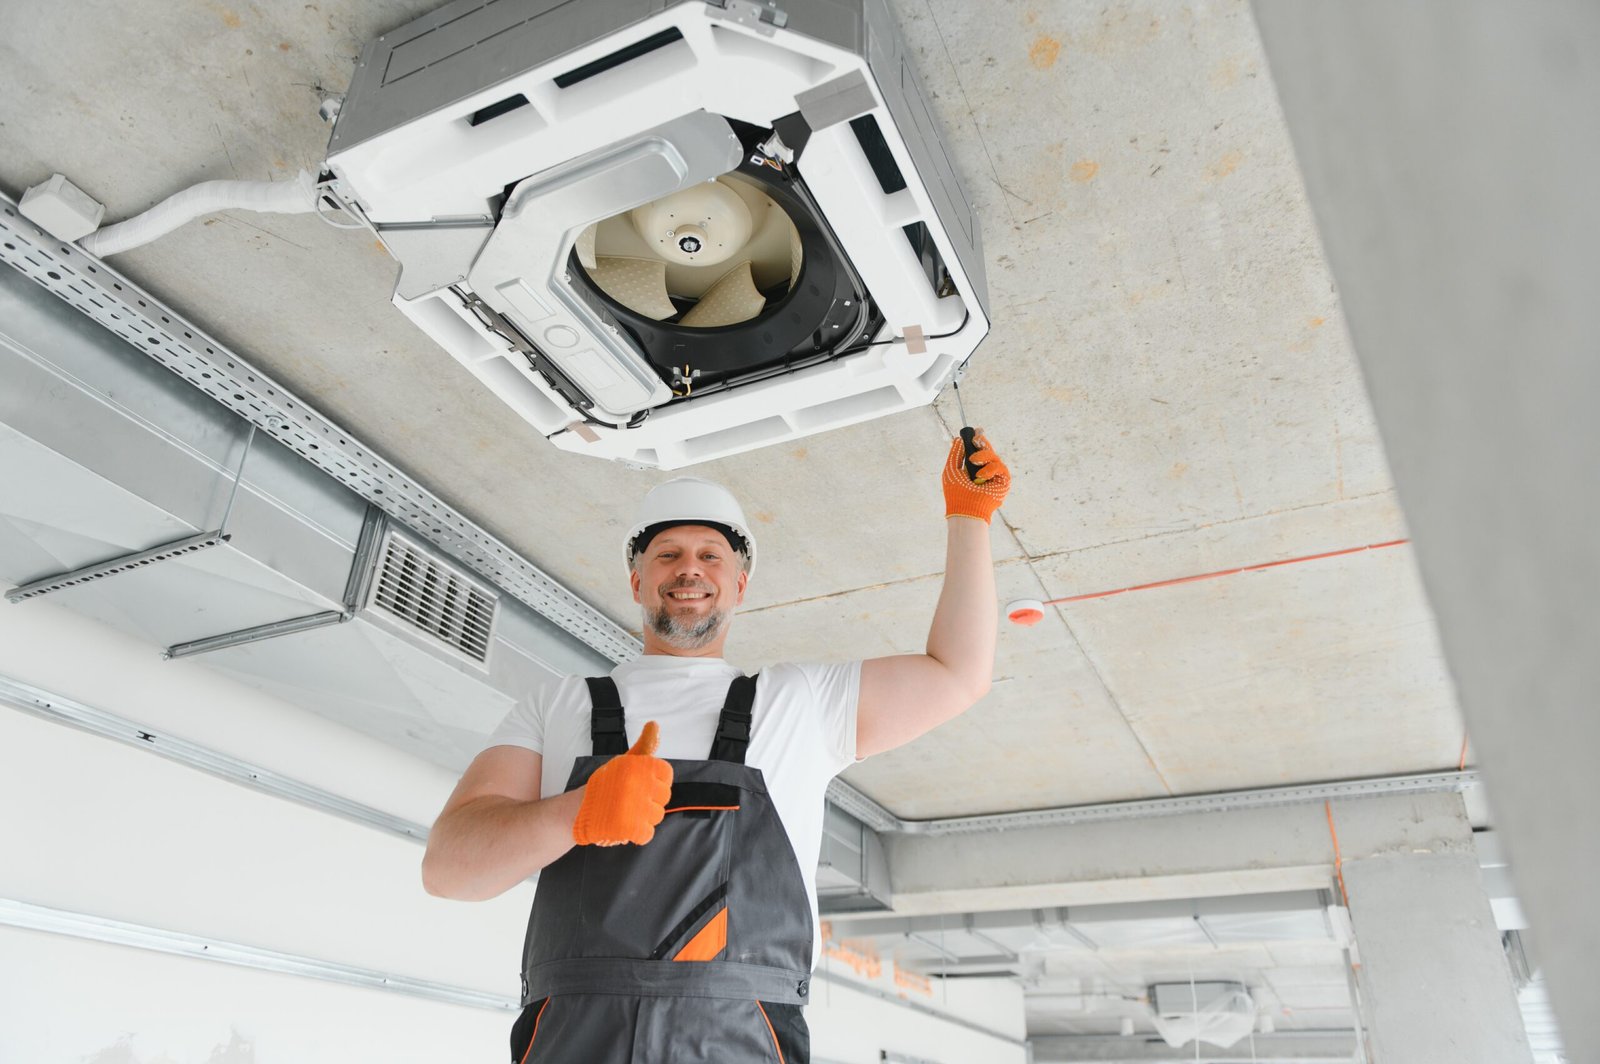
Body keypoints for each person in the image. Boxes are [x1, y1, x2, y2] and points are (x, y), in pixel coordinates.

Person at [422, 431, 1012, 1063]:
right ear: (636, 579)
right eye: (668, 553)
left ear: (739, 585)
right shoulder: (557, 705)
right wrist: (577, 812)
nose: (689, 568)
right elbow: (449, 870)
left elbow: (957, 673)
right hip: (574, 1038)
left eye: (711, 555)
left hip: (741, 1040)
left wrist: (968, 519)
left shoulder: (802, 702)